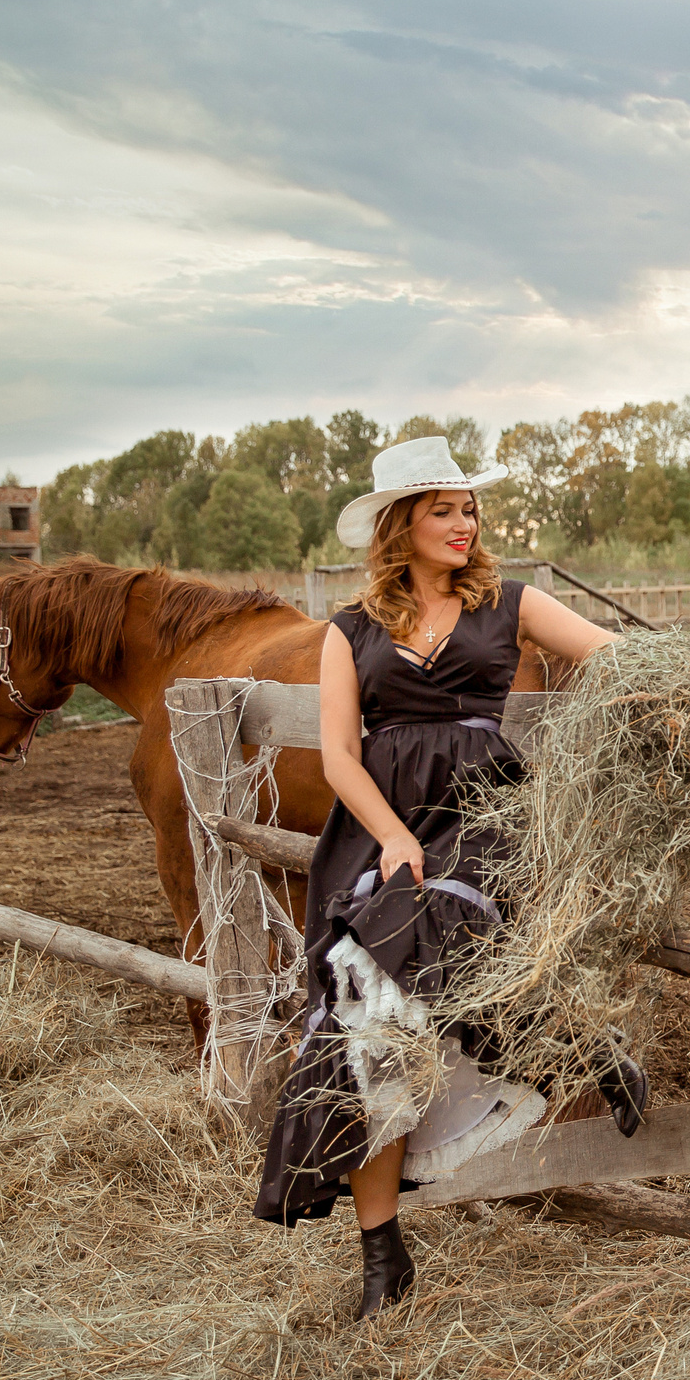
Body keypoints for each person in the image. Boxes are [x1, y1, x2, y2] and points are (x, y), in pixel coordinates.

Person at [253, 434, 643, 1320]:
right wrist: (391, 838)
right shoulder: (349, 630)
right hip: (381, 833)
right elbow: (343, 757)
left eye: (469, 508)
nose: (464, 523)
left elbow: (615, 656)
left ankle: (580, 1047)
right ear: (401, 524)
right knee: (369, 1026)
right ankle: (383, 1259)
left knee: (441, 927)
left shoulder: (510, 604)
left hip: (481, 817)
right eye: (443, 510)